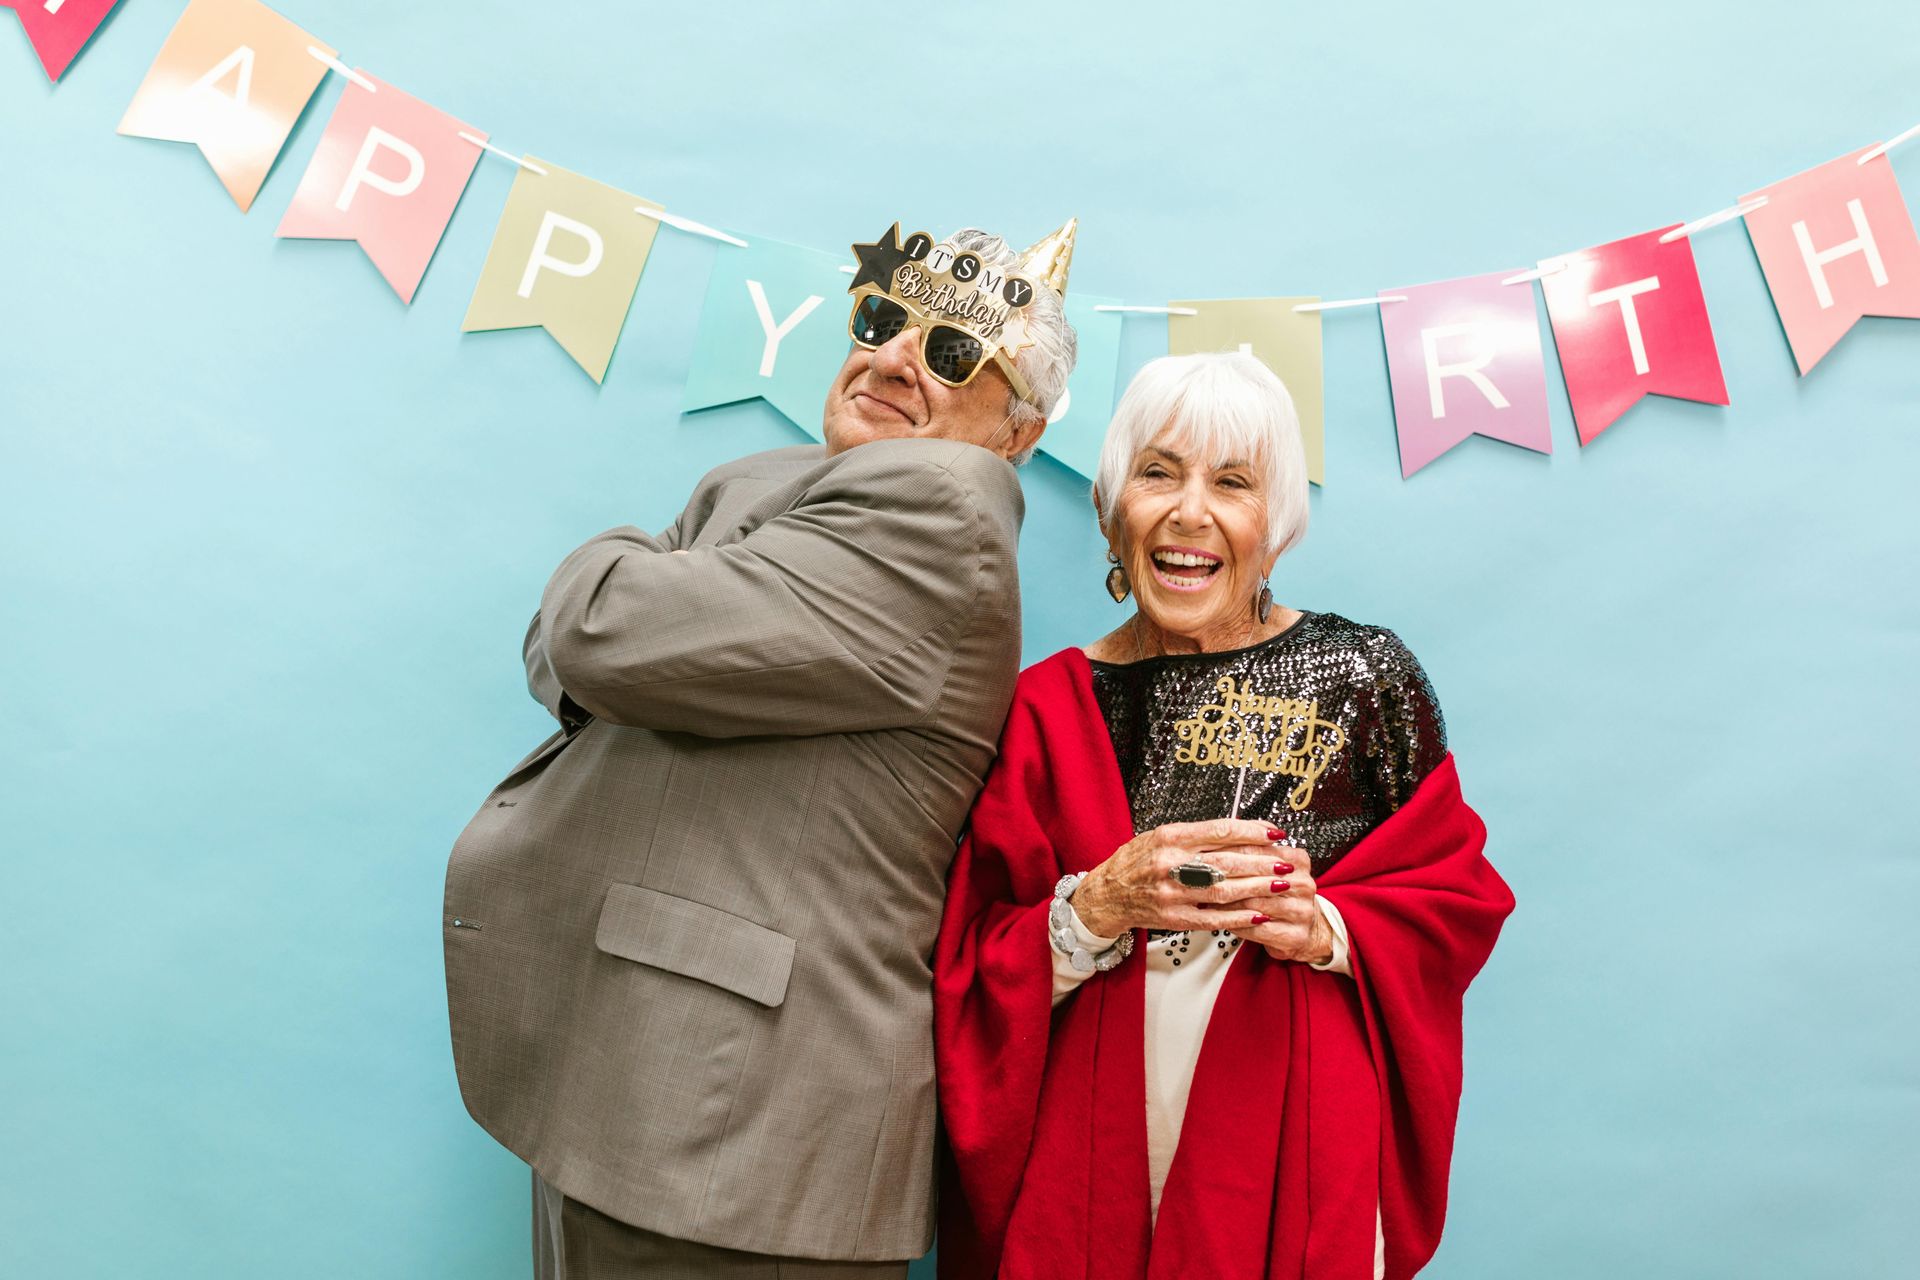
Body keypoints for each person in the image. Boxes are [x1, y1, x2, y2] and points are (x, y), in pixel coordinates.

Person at [442, 220, 1078, 1278]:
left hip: (731, 1131)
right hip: (654, 1090)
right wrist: (640, 617)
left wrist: (643, 560)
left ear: (1017, 433)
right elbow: (567, 656)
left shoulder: (939, 513)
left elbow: (598, 630)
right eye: (883, 321)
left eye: (953, 353)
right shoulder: (799, 490)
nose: (892, 358)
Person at [934, 351, 1515, 1280]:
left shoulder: (1364, 678)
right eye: (1158, 473)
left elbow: (1456, 900)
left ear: (1275, 525)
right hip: (1089, 1157)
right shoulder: (1043, 707)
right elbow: (965, 964)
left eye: (1232, 482)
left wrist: (1326, 926)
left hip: (1289, 1142)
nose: (1189, 512)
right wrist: (1094, 909)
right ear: (1113, 508)